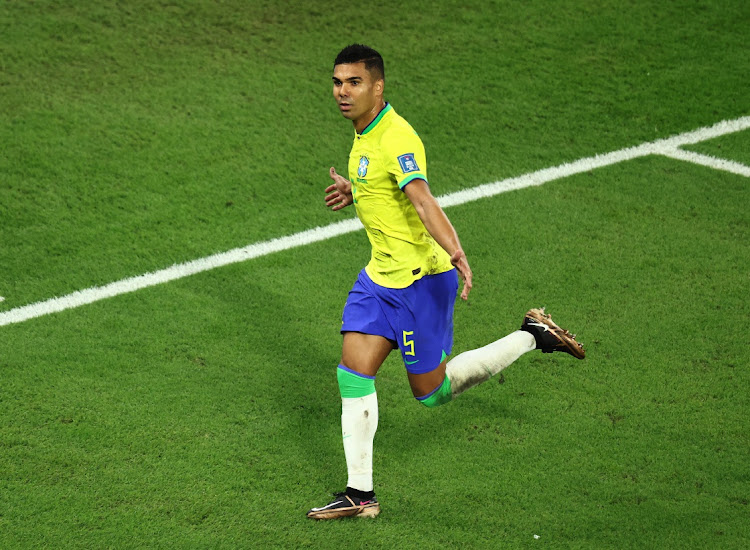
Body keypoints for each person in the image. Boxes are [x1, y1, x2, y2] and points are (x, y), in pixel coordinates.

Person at [307, 44, 585, 520]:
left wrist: (455, 250)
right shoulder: (364, 134)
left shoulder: (398, 137)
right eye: (337, 82)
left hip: (419, 283)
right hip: (378, 279)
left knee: (430, 393)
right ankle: (361, 495)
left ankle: (532, 335)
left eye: (353, 82)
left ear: (378, 86)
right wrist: (356, 190)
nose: (342, 92)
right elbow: (385, 186)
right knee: (352, 375)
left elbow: (422, 200)